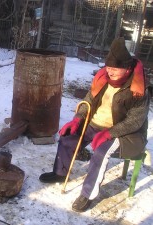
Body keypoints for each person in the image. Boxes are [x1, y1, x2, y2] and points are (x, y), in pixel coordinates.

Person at [39, 37, 150, 212]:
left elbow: (135, 121)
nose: (110, 71)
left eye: (115, 68)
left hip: (122, 132)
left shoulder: (138, 89)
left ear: (127, 69)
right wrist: (78, 119)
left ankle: (88, 194)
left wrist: (109, 133)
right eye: (108, 67)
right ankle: (60, 173)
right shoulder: (103, 79)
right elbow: (88, 100)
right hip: (94, 123)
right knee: (68, 137)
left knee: (100, 153)